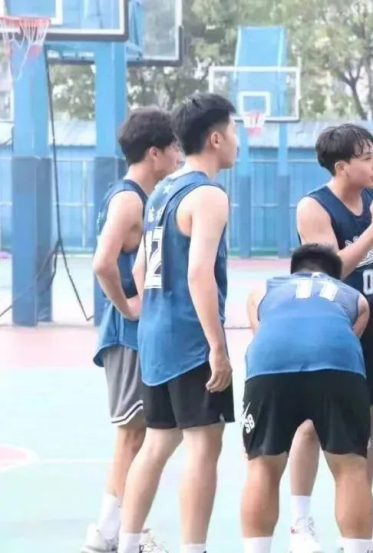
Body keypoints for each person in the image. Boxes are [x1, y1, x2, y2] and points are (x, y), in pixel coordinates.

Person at [119, 93, 238, 553]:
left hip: (155, 337)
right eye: (234, 130)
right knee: (203, 445)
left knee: (156, 444)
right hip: (190, 339)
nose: (238, 140)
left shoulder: (160, 192)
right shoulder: (208, 195)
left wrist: (153, 313)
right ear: (215, 138)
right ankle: (193, 548)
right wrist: (218, 347)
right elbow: (198, 274)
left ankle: (126, 542)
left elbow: (138, 270)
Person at [294, 124, 373, 552]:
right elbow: (331, 269)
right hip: (327, 326)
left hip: (371, 327)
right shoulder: (314, 207)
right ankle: (301, 524)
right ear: (342, 167)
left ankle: (361, 526)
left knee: (366, 425)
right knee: (310, 425)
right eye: (367, 157)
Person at [83, 107, 180, 553]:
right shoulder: (129, 200)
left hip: (138, 332)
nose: (179, 155)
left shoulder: (143, 196)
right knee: (131, 434)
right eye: (174, 147)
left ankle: (119, 530)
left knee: (139, 434)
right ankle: (110, 533)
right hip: (127, 332)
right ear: (154, 152)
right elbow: (103, 262)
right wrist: (128, 307)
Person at [240, 244, 373, 553]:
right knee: (351, 468)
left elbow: (262, 334)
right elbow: (349, 336)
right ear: (334, 276)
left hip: (271, 364)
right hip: (336, 363)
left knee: (262, 466)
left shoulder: (262, 290)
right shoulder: (355, 297)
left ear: (294, 270)